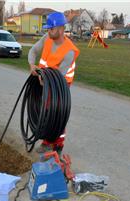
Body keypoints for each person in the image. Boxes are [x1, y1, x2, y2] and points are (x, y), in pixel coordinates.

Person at [28, 12, 80, 154]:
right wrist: (32, 65)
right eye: (48, 29)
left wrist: (43, 78)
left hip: (60, 84)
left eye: (51, 29)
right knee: (44, 110)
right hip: (43, 79)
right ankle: (47, 141)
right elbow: (33, 51)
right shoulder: (47, 38)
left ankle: (58, 144)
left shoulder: (69, 51)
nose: (48, 31)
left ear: (61, 29)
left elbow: (58, 75)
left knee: (56, 113)